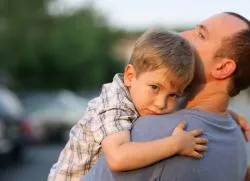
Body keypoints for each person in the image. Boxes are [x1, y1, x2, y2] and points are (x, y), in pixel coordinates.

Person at [80, 12, 250, 181]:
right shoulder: (239, 139)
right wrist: (229, 115)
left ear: (222, 68)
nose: (182, 35)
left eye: (200, 35)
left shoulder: (151, 134)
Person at [48, 30, 210, 181]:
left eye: (173, 95)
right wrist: (175, 145)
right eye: (154, 87)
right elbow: (118, 158)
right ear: (130, 76)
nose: (161, 104)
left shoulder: (139, 97)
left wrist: (228, 115)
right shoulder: (114, 104)